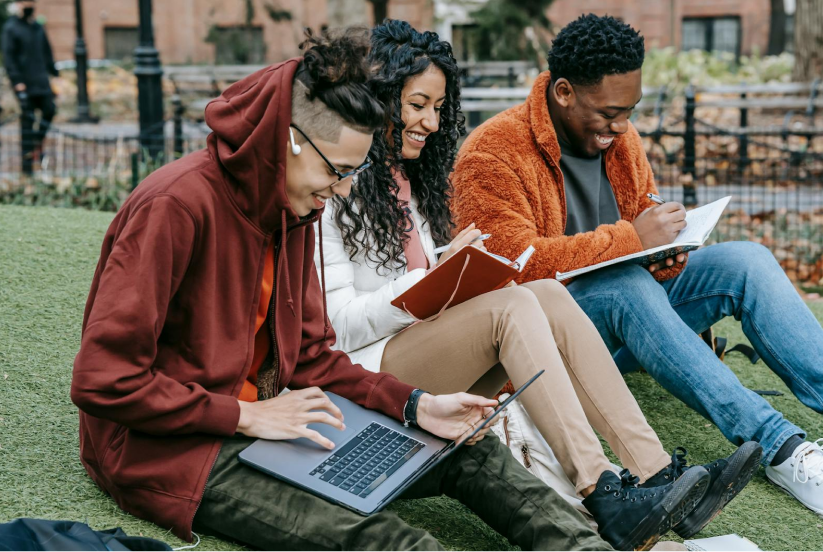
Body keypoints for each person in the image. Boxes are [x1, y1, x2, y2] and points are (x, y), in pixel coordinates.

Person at [70, 29, 612, 552]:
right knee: (394, 544)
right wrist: (245, 416)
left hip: (279, 418)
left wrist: (417, 406)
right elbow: (103, 378)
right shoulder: (173, 207)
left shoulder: (294, 208)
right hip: (175, 451)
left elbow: (311, 357)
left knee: (467, 451)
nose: (344, 189)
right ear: (290, 142)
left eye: (355, 171)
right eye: (339, 170)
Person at [451, 14, 823, 526]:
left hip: (632, 309)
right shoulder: (492, 151)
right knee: (621, 284)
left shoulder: (620, 136)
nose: (620, 128)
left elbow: (642, 214)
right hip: (552, 336)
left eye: (630, 112)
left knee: (746, 260)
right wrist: (633, 241)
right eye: (609, 113)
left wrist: (665, 249)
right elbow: (507, 271)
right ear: (564, 92)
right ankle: (782, 448)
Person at [317, 20, 759, 551]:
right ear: (378, 96)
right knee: (514, 306)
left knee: (543, 294)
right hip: (369, 372)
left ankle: (654, 474)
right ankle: (602, 489)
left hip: (427, 347)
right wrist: (431, 280)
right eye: (416, 105)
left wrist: (451, 270)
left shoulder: (417, 181)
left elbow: (428, 281)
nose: (431, 122)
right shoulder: (329, 185)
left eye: (438, 108)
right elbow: (336, 326)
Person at [1, 0, 58, 175]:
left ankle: (35, 144)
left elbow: (47, 53)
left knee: (50, 110)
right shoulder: (11, 27)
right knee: (27, 122)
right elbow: (8, 57)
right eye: (25, 2)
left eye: (31, 1)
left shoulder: (38, 27)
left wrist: (56, 75)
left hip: (42, 82)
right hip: (24, 84)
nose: (28, 5)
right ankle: (27, 169)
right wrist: (17, 81)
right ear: (18, 4)